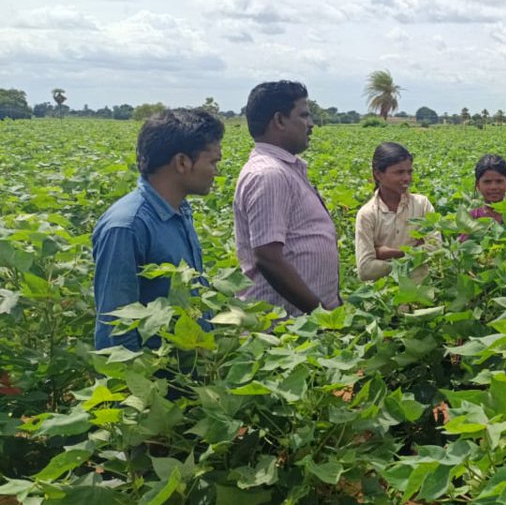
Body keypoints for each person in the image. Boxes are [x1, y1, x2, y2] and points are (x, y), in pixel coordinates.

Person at [92, 109, 224, 350]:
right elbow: (115, 330)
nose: (216, 171)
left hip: (188, 375)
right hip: (158, 381)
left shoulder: (179, 210)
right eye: (213, 162)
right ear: (182, 162)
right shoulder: (127, 226)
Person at [234, 81, 340, 316]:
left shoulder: (286, 170)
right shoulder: (269, 174)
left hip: (302, 323)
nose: (311, 124)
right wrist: (321, 316)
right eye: (303, 115)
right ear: (280, 120)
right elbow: (269, 258)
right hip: (283, 329)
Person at [355, 142, 436, 282]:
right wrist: (413, 253)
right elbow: (365, 270)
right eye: (399, 172)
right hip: (385, 298)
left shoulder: (422, 204)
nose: (406, 178)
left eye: (409, 172)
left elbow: (435, 250)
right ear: (378, 174)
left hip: (421, 294)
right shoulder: (368, 214)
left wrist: (392, 253)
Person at [472, 154, 506, 223]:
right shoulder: (471, 219)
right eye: (487, 182)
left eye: (499, 181)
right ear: (478, 185)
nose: (493, 187)